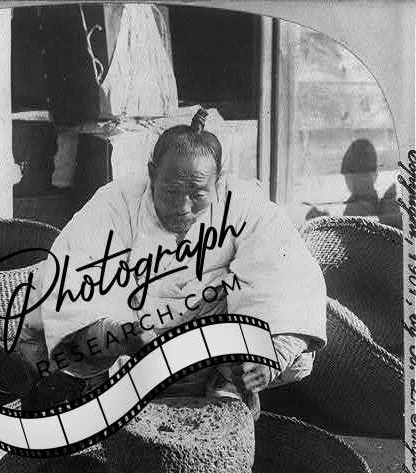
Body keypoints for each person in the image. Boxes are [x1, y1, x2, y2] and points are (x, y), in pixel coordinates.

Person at [34, 109, 326, 417]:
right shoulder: (117, 201)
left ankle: (230, 386)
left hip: (219, 351)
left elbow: (283, 274)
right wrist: (113, 333)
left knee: (283, 336)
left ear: (218, 182)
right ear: (152, 173)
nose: (183, 207)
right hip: (137, 344)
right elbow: (74, 271)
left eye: (197, 194)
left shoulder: (244, 203)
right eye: (171, 191)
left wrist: (267, 355)